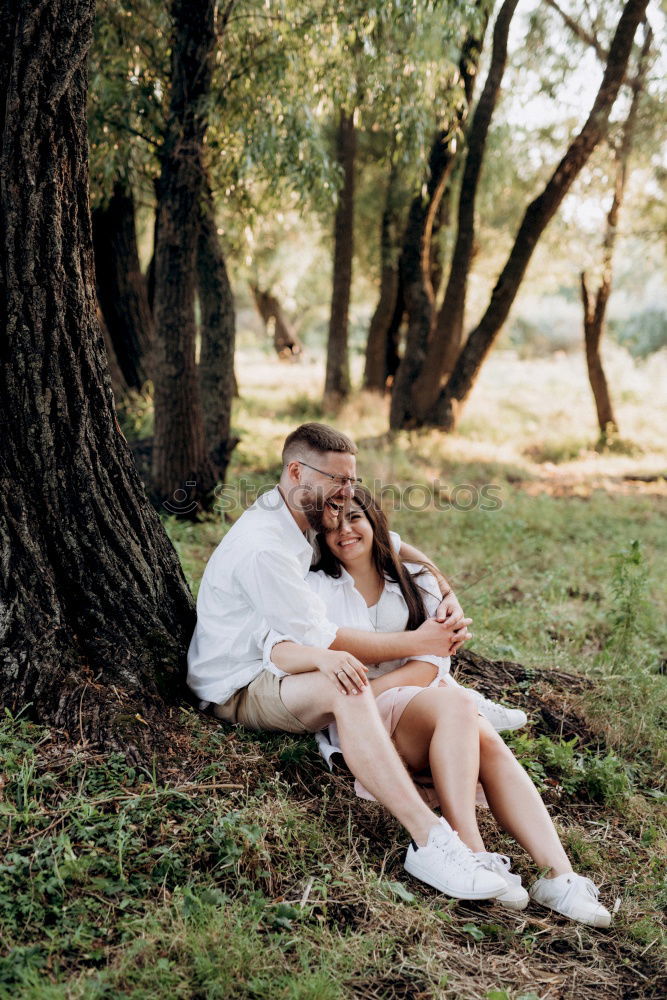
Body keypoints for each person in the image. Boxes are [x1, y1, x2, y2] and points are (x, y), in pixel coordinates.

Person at [189, 422, 512, 902]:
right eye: (337, 480)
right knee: (345, 680)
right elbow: (327, 636)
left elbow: (391, 542)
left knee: (347, 674)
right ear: (296, 471)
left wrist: (446, 591)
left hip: (278, 660)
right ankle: (430, 841)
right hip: (241, 683)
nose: (347, 492)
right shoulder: (265, 547)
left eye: (352, 480)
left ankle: (458, 828)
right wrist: (418, 641)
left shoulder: (299, 515)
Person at [263, 488, 612, 927]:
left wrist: (381, 686)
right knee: (458, 705)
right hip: (369, 722)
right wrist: (365, 697)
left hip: (424, 703)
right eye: (331, 527)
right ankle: (472, 852)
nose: (345, 531)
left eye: (355, 518)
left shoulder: (417, 580)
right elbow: (288, 647)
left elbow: (434, 659)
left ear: (377, 524)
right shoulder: (317, 588)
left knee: (480, 733)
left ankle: (559, 876)